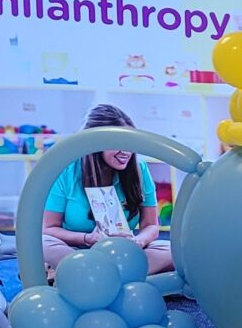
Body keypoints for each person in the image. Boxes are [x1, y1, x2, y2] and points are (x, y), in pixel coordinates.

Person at [43, 103, 172, 277]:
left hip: (122, 252)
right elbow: (49, 228)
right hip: (76, 249)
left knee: (172, 250)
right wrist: (87, 239)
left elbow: (151, 225)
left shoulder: (139, 169)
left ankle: (85, 275)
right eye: (118, 143)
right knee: (42, 243)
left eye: (130, 142)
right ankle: (117, 274)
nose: (126, 151)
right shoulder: (67, 170)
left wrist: (137, 242)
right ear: (95, 142)